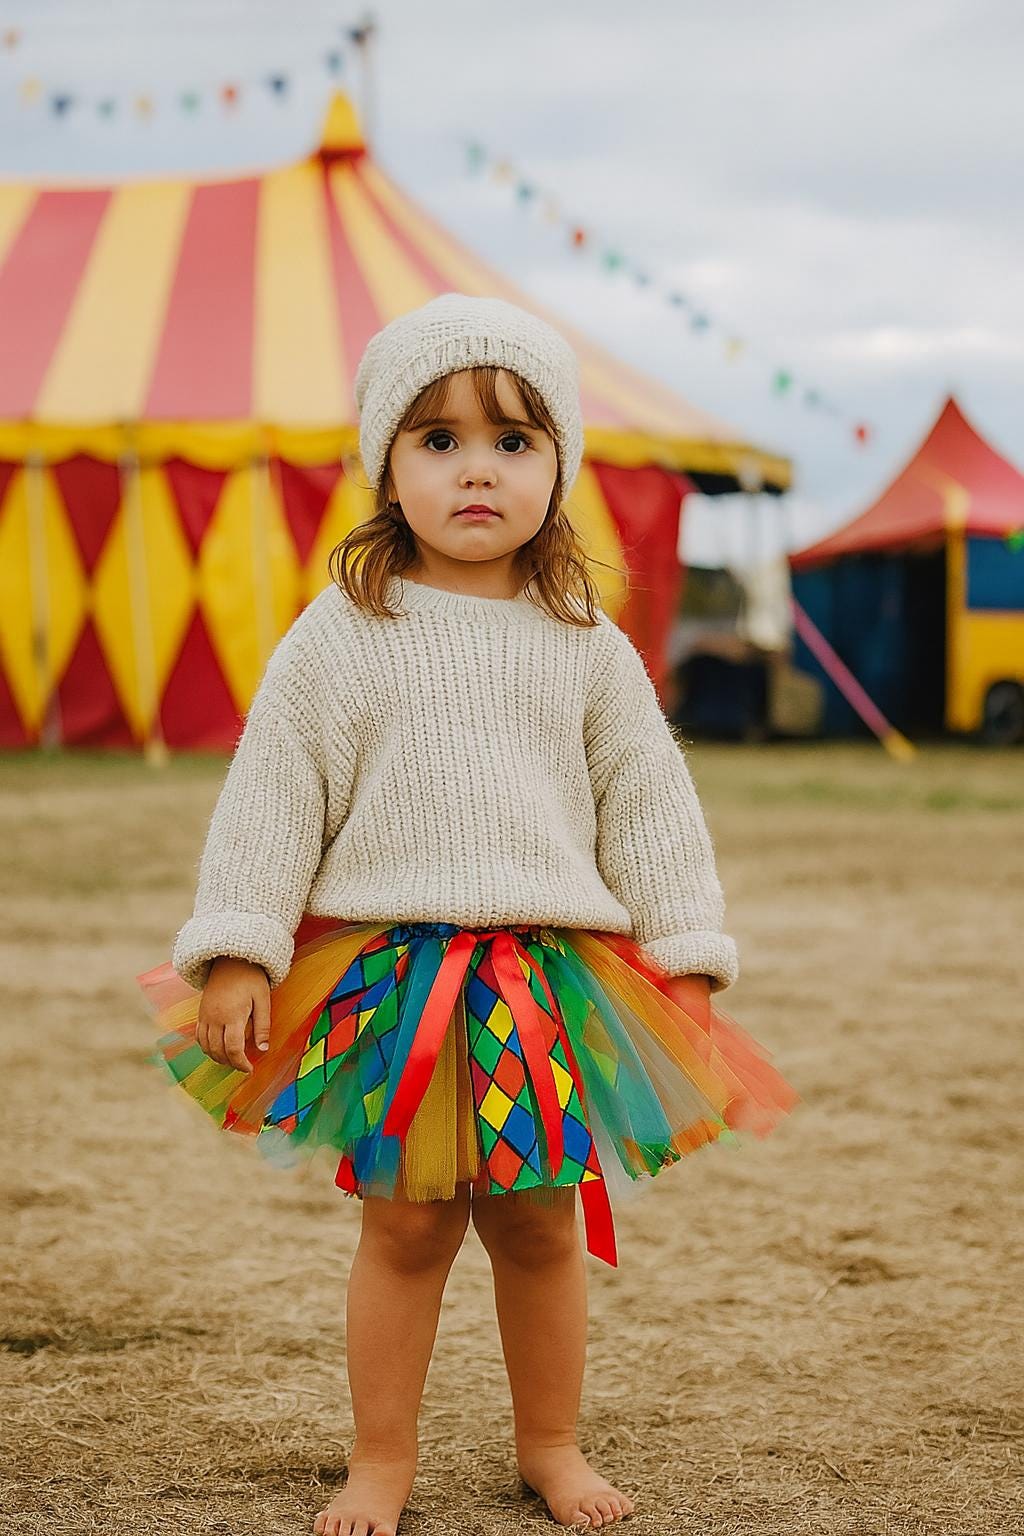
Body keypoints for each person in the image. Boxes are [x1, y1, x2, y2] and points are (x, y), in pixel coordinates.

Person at [137, 293, 798, 1536]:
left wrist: (687, 960)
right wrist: (236, 948)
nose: (477, 470)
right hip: (391, 987)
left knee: (540, 1226)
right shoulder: (343, 635)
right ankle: (381, 1460)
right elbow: (272, 797)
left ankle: (550, 1443)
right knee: (407, 1224)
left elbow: (651, 810)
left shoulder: (583, 644)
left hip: (544, 983)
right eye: (437, 441)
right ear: (386, 466)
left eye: (513, 441)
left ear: (560, 465)